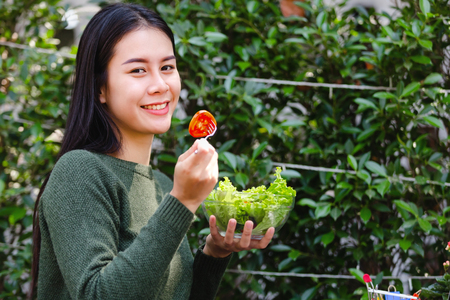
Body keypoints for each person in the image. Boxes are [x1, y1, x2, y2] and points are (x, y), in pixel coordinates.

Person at [30, 3, 275, 299]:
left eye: (167, 67)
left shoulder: (162, 184)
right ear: (100, 88)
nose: (160, 84)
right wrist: (182, 200)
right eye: (138, 70)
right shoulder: (79, 172)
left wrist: (215, 251)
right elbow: (98, 294)